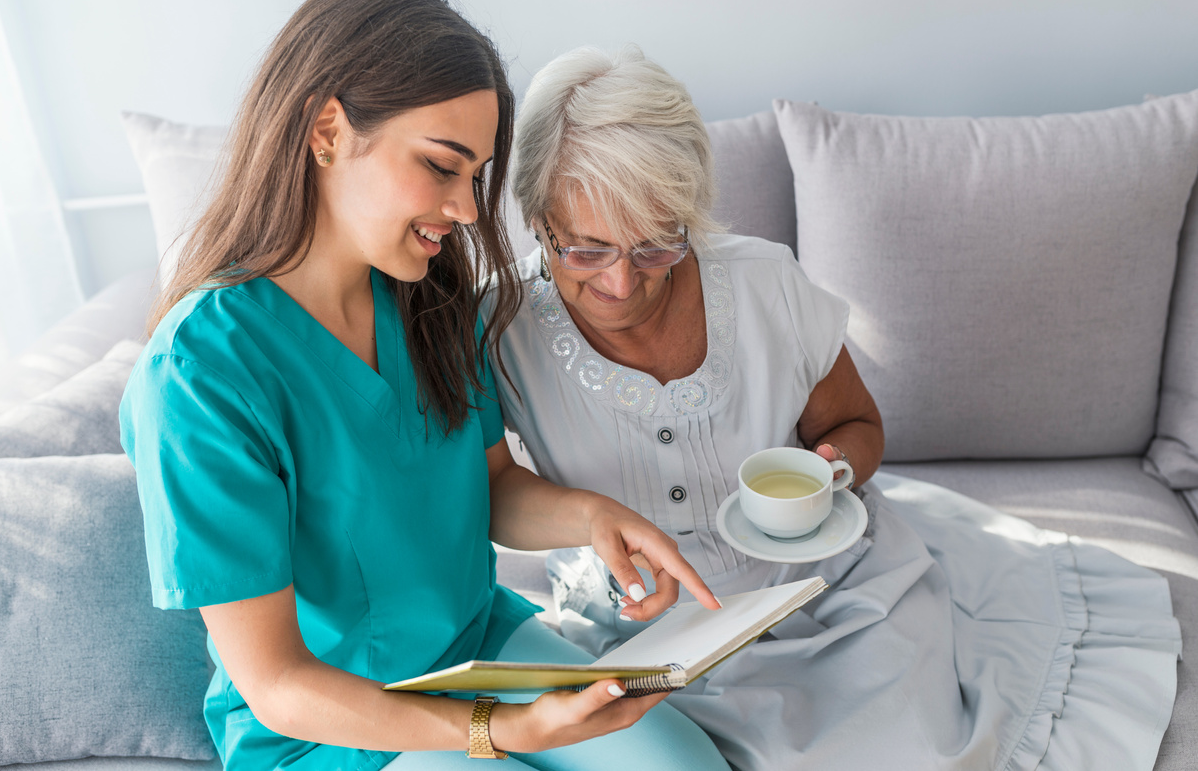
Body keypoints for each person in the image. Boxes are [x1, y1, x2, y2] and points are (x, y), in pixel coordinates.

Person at [490, 45, 1182, 770]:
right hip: (636, 634)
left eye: (656, 247)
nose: (624, 284)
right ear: (537, 220)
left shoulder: (763, 287)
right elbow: (489, 491)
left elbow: (857, 428)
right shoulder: (499, 329)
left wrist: (832, 471)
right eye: (587, 252)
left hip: (824, 606)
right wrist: (595, 526)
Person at [119, 0, 733, 771]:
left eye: (474, 175)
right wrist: (500, 734)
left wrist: (595, 519)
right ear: (328, 130)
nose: (469, 210)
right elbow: (276, 682)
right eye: (443, 166)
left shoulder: (429, 300)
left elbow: (492, 489)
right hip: (329, 726)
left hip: (475, 649)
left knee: (684, 766)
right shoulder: (200, 374)